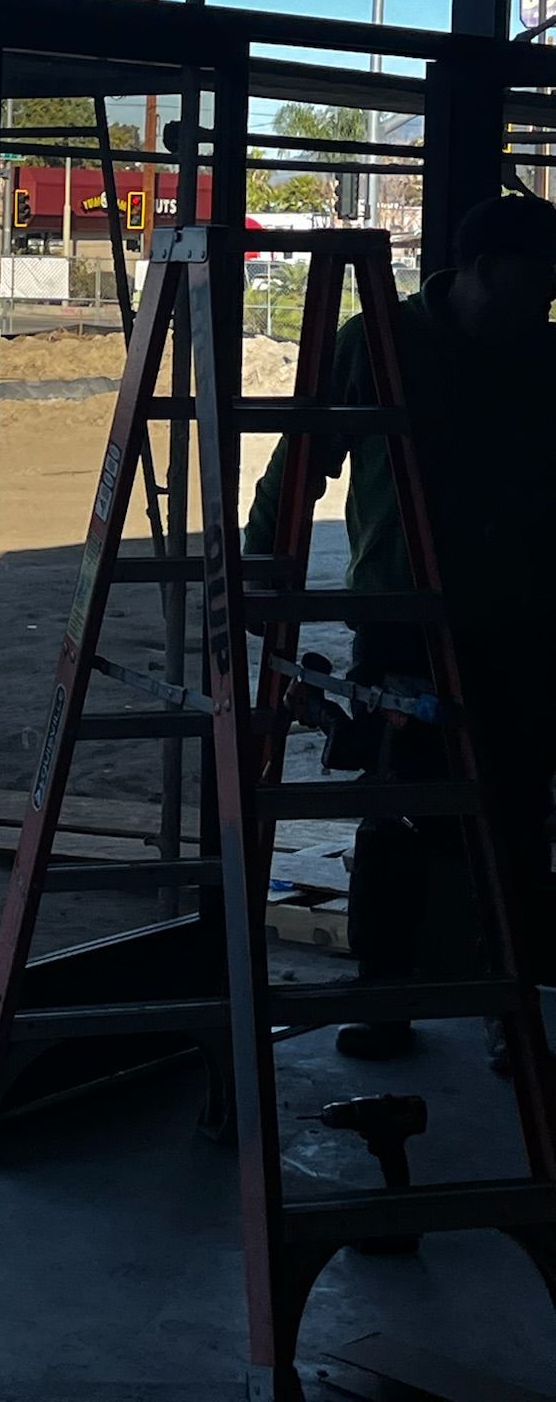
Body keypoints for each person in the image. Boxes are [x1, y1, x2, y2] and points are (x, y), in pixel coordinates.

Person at [246, 191, 556, 1061]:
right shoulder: (382, 342)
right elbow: (302, 461)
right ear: (488, 268)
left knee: (518, 816)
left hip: (522, 622)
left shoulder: (544, 353)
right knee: (397, 810)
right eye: (542, 282)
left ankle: (509, 1005)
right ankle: (386, 994)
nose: (550, 300)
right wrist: (253, 570)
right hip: (403, 620)